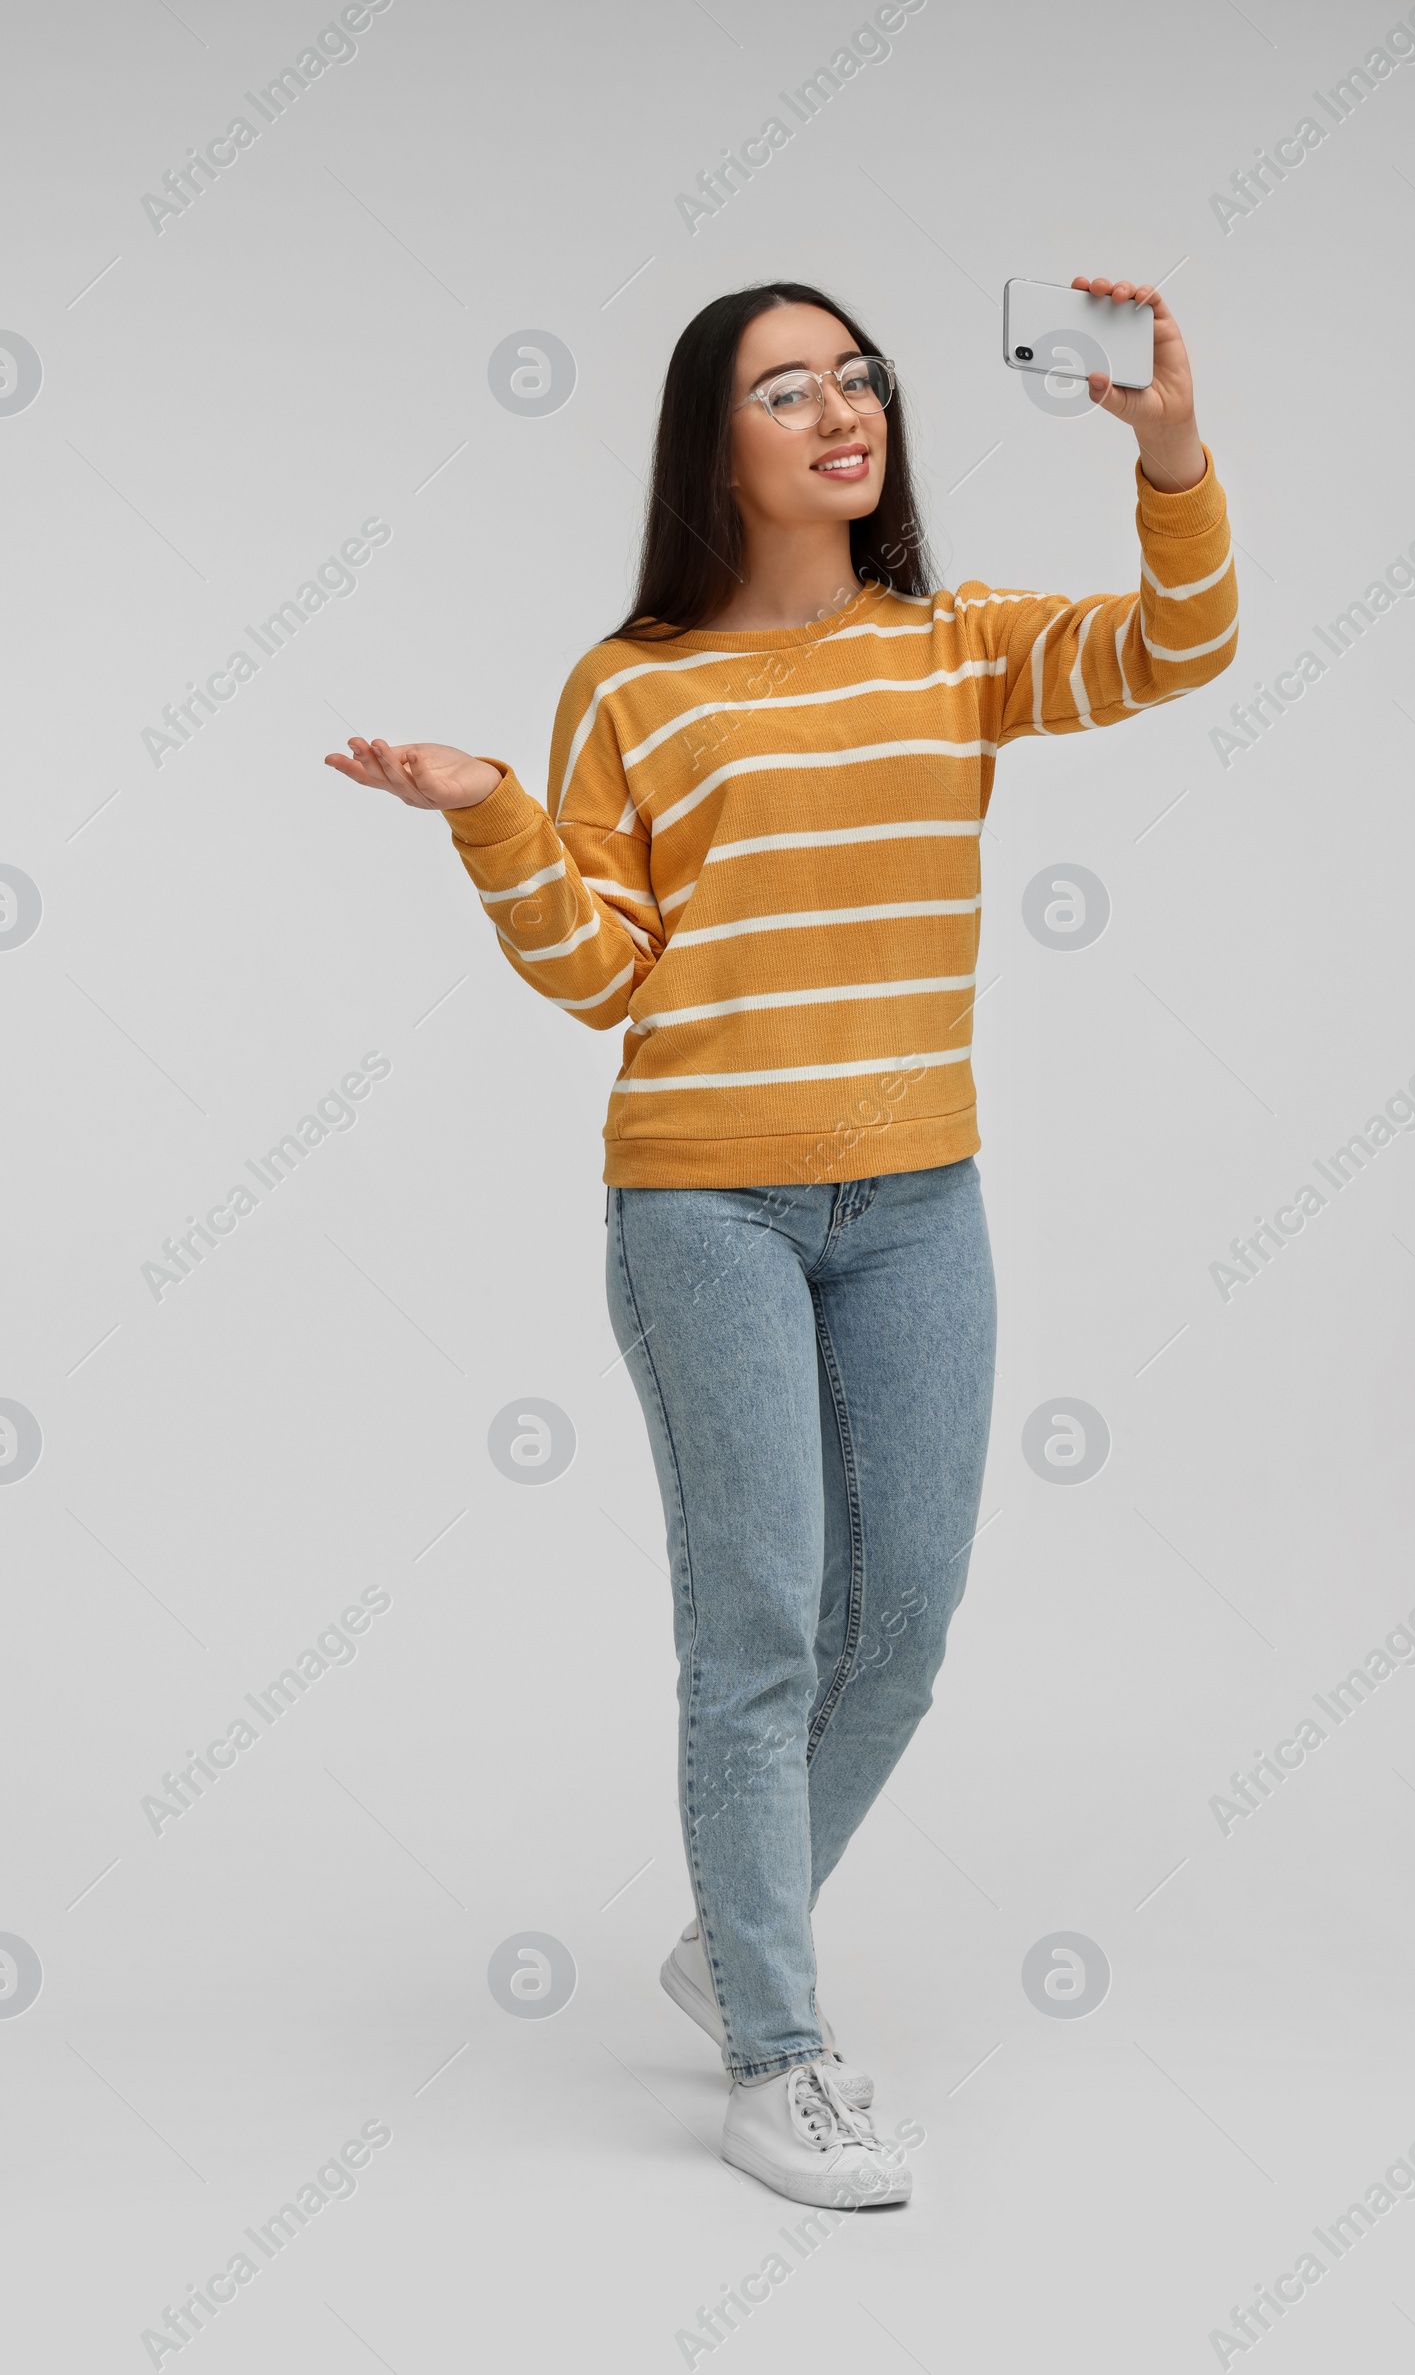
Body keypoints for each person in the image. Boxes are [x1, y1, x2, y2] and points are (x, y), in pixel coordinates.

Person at [326, 275, 1238, 2209]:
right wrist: (492, 814)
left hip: (924, 1199)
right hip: (703, 1201)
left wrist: (1165, 448)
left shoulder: (956, 646)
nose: (842, 410)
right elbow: (604, 977)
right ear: (711, 445)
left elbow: (1181, 644)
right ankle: (779, 2046)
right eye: (785, 388)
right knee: (757, 1633)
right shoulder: (633, 686)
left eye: (859, 379)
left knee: (899, 1630)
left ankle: (737, 1925)